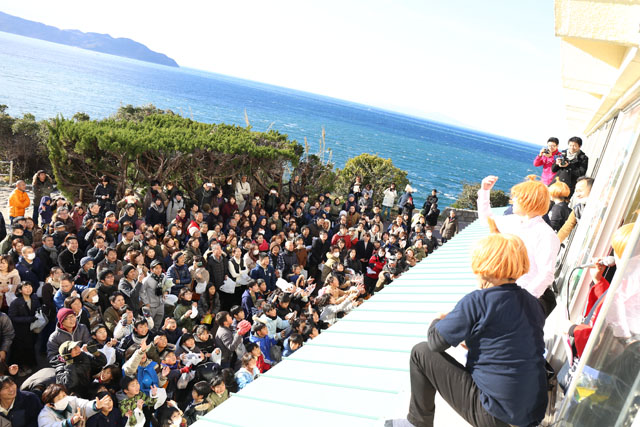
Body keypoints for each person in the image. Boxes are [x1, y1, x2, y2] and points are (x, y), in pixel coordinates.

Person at [386, 221, 547, 427]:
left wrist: (437, 319)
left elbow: (435, 342)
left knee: (420, 352)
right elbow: (512, 341)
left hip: (494, 415)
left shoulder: (478, 300)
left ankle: (417, 422)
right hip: (532, 414)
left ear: (486, 267)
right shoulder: (533, 302)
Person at [478, 175, 560, 308]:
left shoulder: (546, 235)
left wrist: (522, 300)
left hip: (518, 299)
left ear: (529, 201)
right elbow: (486, 220)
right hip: (499, 291)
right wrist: (485, 191)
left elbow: (546, 274)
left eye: (517, 197)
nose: (513, 200)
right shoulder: (513, 221)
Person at [38, 383, 110, 427]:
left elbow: (84, 405)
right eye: (59, 398)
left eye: (64, 395)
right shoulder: (44, 415)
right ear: (50, 405)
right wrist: (70, 422)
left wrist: (95, 406)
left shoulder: (71, 400)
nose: (64, 399)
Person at [8, 282, 41, 371]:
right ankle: (18, 368)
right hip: (20, 331)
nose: (28, 288)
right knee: (19, 350)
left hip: (32, 329)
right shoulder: (16, 302)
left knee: (30, 347)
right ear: (20, 290)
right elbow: (12, 317)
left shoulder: (34, 298)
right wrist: (29, 319)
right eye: (25, 287)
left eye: (30, 286)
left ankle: (29, 365)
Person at [558, 176, 594, 242]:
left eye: (580, 191)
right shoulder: (577, 209)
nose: (577, 195)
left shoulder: (602, 203)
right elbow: (565, 229)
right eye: (576, 192)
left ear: (592, 189)